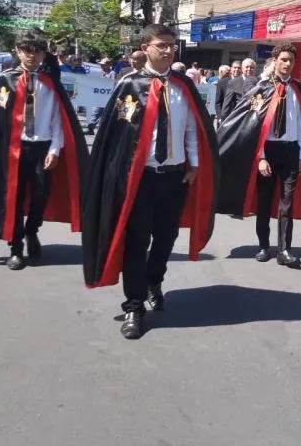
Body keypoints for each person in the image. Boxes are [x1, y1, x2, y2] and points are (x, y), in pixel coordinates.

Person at [81, 24, 220, 339]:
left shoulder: (183, 86)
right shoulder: (130, 86)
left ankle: (154, 279)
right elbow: (118, 137)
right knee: (136, 242)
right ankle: (133, 305)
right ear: (145, 47)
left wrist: (195, 163)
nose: (168, 50)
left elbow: (190, 129)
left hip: (173, 177)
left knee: (166, 237)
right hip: (140, 179)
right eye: (161, 45)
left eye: (172, 45)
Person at [0, 29, 88, 271]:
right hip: (13, 148)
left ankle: (32, 230)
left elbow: (58, 119)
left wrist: (55, 149)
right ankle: (15, 247)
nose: (31, 56)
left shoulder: (50, 82)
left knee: (40, 194)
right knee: (12, 196)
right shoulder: (5, 81)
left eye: (36, 51)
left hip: (42, 146)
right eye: (26, 51)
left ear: (44, 53)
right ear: (17, 51)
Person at [217, 42, 301, 267]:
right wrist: (260, 157)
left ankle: (285, 249)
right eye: (284, 60)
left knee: (286, 202)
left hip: (290, 150)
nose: (287, 64)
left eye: (291, 60)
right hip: (268, 150)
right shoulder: (262, 88)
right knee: (264, 200)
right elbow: (253, 125)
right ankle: (263, 246)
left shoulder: (298, 89)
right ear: (275, 61)